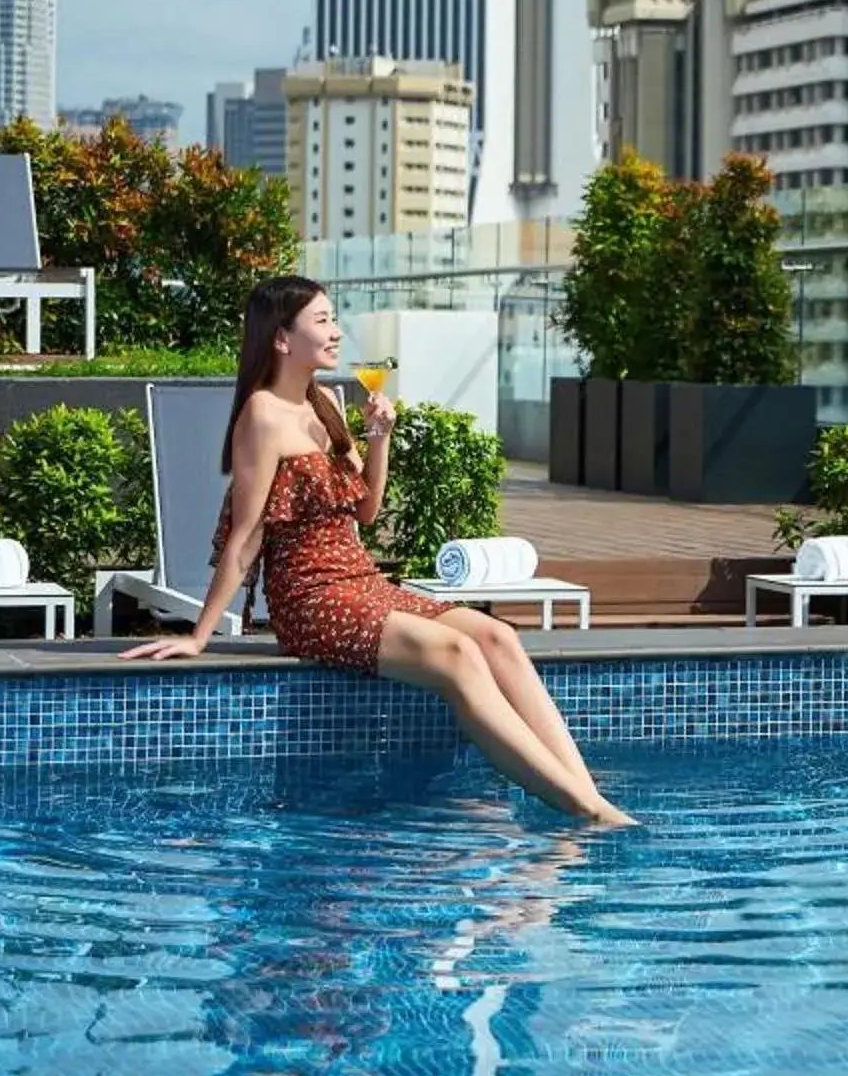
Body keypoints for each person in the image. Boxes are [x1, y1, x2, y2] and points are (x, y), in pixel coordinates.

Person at [121, 276, 632, 827]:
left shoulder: (325, 406)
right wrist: (201, 634)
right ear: (281, 339)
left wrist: (379, 438)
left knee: (497, 636)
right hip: (310, 596)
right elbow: (248, 535)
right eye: (322, 321)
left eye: (333, 318)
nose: (336, 331)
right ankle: (586, 810)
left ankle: (578, 782)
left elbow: (365, 512)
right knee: (455, 656)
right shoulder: (262, 415)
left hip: (360, 581)